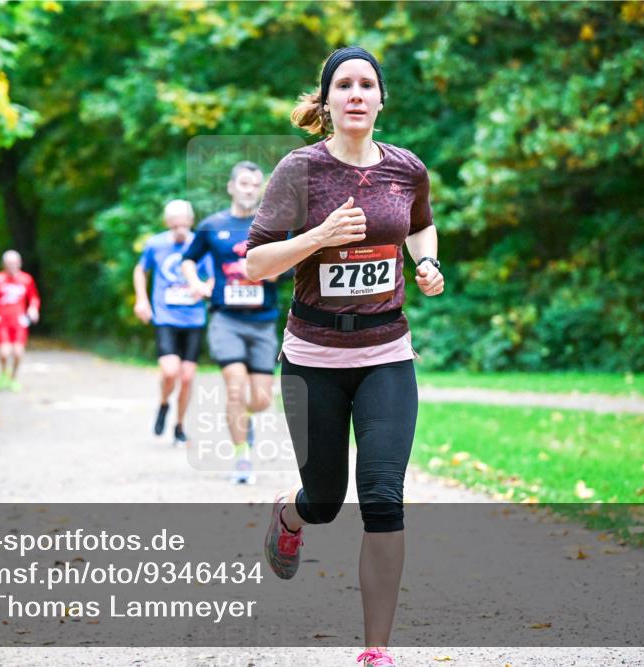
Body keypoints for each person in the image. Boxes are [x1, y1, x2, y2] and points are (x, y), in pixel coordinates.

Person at [245, 47, 444, 667]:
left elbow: (418, 224)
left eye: (367, 85)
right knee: (326, 499)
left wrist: (427, 261)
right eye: (344, 85)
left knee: (383, 495)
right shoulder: (299, 171)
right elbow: (254, 264)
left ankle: (375, 651)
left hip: (387, 350)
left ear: (381, 99)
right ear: (327, 101)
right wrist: (317, 237)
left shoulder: (406, 168)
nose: (356, 94)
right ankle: (292, 513)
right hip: (313, 355)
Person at [181, 161, 288, 484]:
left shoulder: (272, 226)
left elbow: (291, 264)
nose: (249, 189)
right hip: (225, 319)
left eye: (255, 185)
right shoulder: (213, 225)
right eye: (244, 183)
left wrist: (264, 272)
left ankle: (244, 421)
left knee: (262, 399)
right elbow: (188, 259)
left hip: (263, 321)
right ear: (231, 187)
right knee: (235, 389)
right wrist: (197, 284)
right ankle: (242, 458)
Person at [133, 199, 214, 446]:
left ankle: (179, 426)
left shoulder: (200, 245)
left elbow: (213, 276)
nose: (180, 230)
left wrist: (204, 288)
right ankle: (164, 403)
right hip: (165, 316)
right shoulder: (155, 244)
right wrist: (141, 300)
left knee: (187, 377)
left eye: (184, 225)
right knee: (170, 371)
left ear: (190, 222)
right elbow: (140, 270)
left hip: (194, 318)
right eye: (175, 225)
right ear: (168, 223)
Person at [0, 250, 41, 391]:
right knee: (4, 352)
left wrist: (33, 309)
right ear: (3, 265)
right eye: (8, 264)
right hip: (3, 322)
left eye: (14, 263)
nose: (12, 266)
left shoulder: (26, 279)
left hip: (19, 322)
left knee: (18, 352)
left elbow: (34, 297)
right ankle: (3, 373)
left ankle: (13, 379)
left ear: (19, 263)